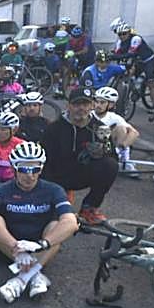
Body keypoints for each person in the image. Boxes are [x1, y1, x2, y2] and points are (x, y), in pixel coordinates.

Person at [0, 141, 78, 303]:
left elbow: (71, 222)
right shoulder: (0, 190)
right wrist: (16, 247)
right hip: (8, 249)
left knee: (57, 226)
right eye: (23, 169)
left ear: (41, 169)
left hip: (39, 248)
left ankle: (22, 279)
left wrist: (42, 245)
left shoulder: (54, 190)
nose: (30, 175)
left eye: (35, 169)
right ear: (14, 169)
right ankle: (35, 274)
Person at [41, 87, 118, 225]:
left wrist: (101, 153)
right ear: (68, 106)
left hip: (83, 173)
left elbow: (113, 156)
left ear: (92, 106)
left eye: (86, 104)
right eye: (77, 104)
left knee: (110, 165)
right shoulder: (54, 128)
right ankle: (55, 198)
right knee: (51, 218)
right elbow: (43, 160)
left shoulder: (100, 129)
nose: (81, 108)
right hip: (57, 176)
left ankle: (90, 207)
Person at [91, 85, 140, 176]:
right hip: (90, 145)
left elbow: (134, 133)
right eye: (96, 101)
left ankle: (124, 161)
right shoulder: (89, 113)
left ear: (111, 105)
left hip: (108, 147)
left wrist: (123, 145)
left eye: (102, 102)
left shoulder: (114, 117)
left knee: (121, 129)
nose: (98, 105)